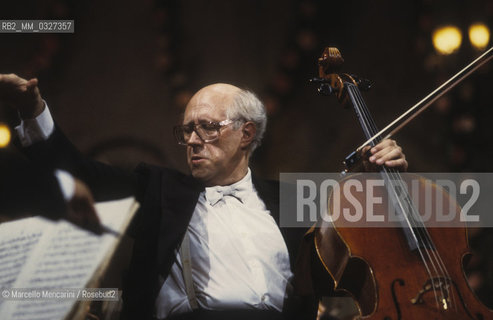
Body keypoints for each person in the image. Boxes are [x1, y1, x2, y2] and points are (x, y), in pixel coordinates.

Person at [0, 74, 407, 320]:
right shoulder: (159, 192)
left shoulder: (293, 200)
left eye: (207, 127)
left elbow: (371, 257)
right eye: (186, 131)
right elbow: (79, 170)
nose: (192, 141)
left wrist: (385, 181)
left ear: (246, 134)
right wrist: (34, 110)